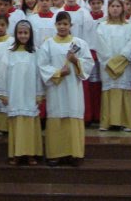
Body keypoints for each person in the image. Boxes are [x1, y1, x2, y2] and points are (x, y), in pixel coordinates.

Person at [38, 12, 94, 166]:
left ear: (71, 26)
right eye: (59, 24)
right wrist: (58, 72)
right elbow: (42, 65)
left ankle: (74, 154)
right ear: (55, 25)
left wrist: (76, 61)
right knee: (57, 116)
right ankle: (55, 154)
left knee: (73, 115)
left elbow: (88, 63)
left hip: (73, 88)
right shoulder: (48, 44)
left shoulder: (79, 43)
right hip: (56, 89)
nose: (62, 27)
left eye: (65, 24)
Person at [0, 20, 43, 165]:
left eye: (25, 33)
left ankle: (30, 154)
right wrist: (3, 93)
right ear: (16, 34)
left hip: (30, 93)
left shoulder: (35, 51)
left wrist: (39, 93)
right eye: (20, 33)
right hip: (14, 93)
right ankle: (15, 153)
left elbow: (39, 74)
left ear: (30, 34)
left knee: (29, 124)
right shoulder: (9, 52)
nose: (23, 36)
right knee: (16, 123)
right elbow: (2, 73)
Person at [94, 0, 131, 132]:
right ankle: (107, 122)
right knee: (109, 90)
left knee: (123, 89)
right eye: (112, 6)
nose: (115, 9)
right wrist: (112, 62)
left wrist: (121, 59)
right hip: (108, 66)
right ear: (108, 8)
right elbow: (101, 46)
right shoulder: (102, 26)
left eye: (118, 6)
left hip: (124, 65)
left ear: (123, 8)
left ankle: (126, 122)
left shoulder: (129, 26)